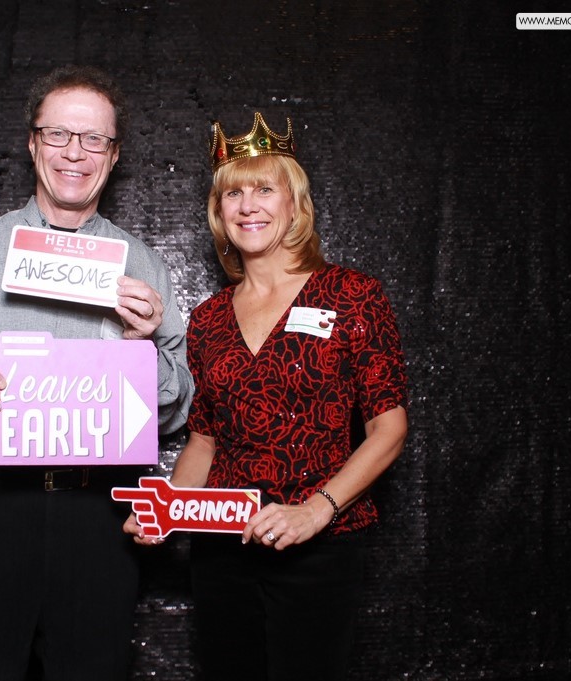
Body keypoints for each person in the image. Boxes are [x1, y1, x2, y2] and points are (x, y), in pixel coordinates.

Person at [0, 65, 193, 681]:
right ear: (32, 143)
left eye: (94, 138)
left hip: (98, 515)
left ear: (114, 155)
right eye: (58, 134)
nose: (75, 152)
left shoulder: (144, 266)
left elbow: (178, 405)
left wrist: (142, 345)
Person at [124, 112, 409, 680]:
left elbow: (389, 428)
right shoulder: (208, 319)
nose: (247, 205)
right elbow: (204, 441)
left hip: (319, 545)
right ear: (218, 211)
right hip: (222, 549)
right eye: (233, 193)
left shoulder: (352, 295)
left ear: (295, 204)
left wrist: (316, 511)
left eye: (264, 189)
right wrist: (168, 509)